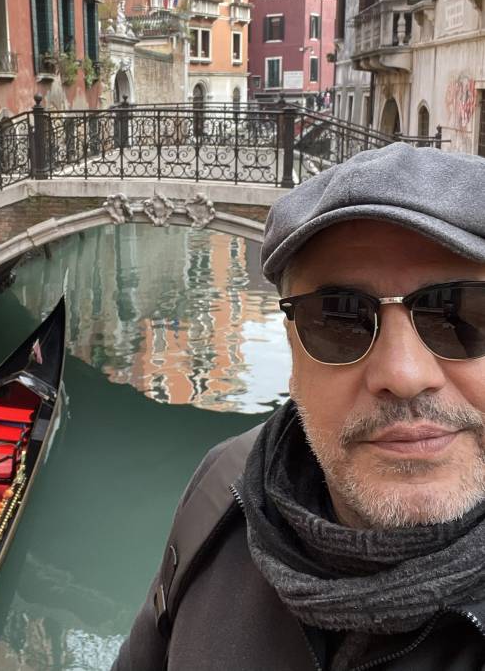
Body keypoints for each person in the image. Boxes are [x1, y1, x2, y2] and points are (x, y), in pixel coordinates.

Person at [113, 143, 485, 670]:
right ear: (293, 349)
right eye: (339, 319)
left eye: (460, 313)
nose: (404, 376)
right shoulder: (223, 488)